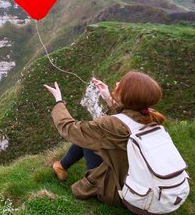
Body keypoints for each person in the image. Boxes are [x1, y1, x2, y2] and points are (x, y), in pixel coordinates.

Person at [43, 71, 165, 207]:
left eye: (122, 83)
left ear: (128, 96)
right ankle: (61, 166)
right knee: (92, 136)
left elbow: (69, 128)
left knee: (88, 138)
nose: (117, 83)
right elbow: (129, 116)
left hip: (127, 194)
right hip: (153, 189)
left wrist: (58, 100)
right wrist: (108, 97)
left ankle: (75, 174)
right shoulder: (152, 117)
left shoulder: (111, 126)